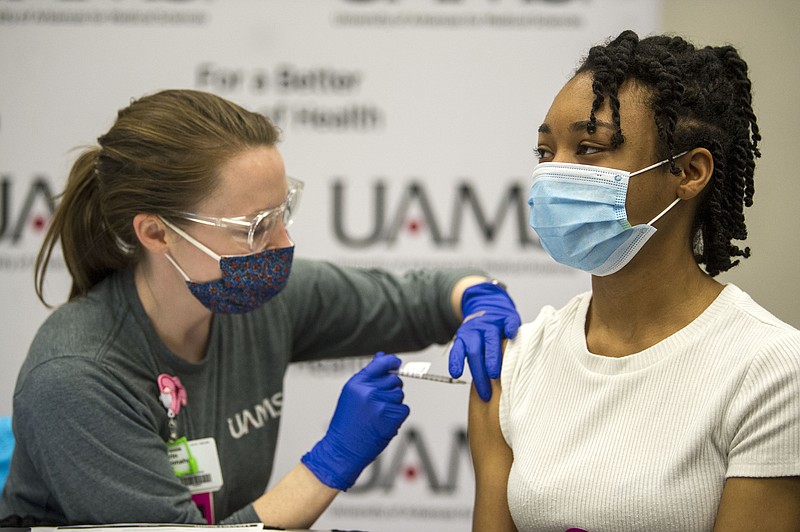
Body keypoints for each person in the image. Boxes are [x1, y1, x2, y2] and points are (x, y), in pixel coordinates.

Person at [0, 89, 520, 528]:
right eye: (254, 228)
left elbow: (420, 298)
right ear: (156, 232)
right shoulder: (76, 377)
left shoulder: (258, 299)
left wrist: (478, 297)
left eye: (282, 213)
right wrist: (329, 462)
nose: (284, 242)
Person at [468, 30, 800, 532]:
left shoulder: (770, 371)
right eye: (544, 152)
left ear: (689, 172)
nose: (553, 174)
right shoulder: (512, 363)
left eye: (588, 148)